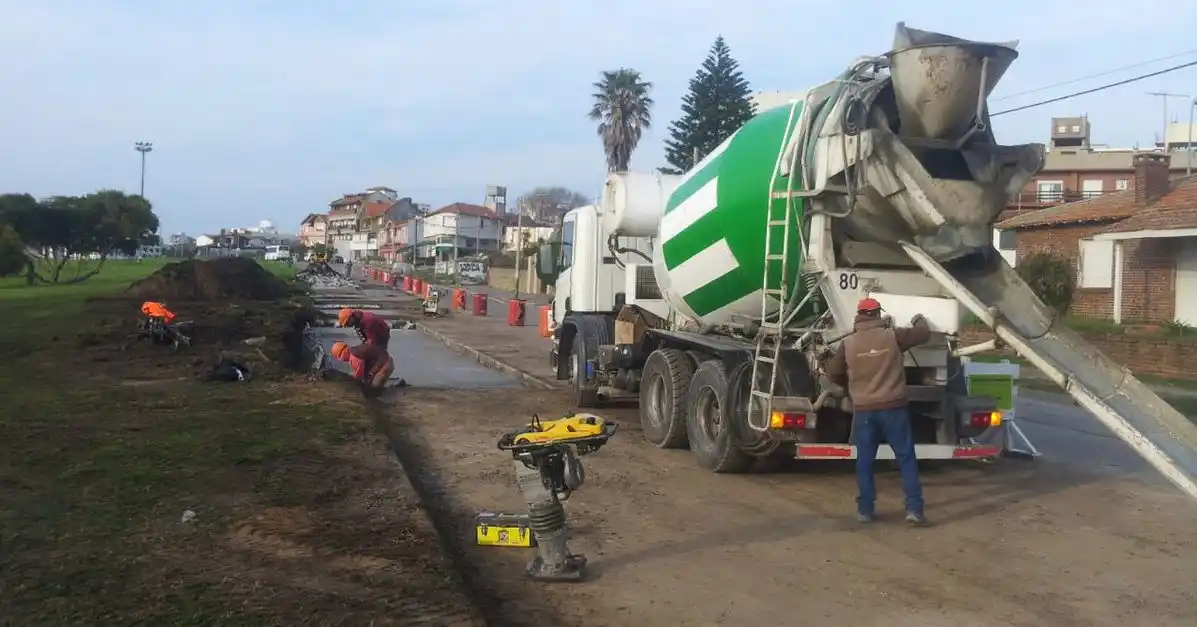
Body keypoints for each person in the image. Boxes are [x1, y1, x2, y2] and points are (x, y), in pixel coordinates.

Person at [825, 297, 932, 526]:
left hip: (864, 411)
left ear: (859, 315)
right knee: (905, 457)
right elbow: (924, 334)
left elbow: (833, 372)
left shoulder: (849, 344)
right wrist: (919, 319)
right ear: (877, 314)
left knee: (865, 460)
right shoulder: (894, 337)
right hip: (894, 408)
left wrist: (849, 388)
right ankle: (914, 509)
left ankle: (865, 510)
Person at [328, 341, 399, 395]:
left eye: (339, 357)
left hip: (384, 366)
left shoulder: (354, 357)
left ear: (342, 353)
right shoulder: (355, 351)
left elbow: (359, 376)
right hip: (387, 361)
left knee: (373, 391)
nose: (341, 360)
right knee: (375, 385)